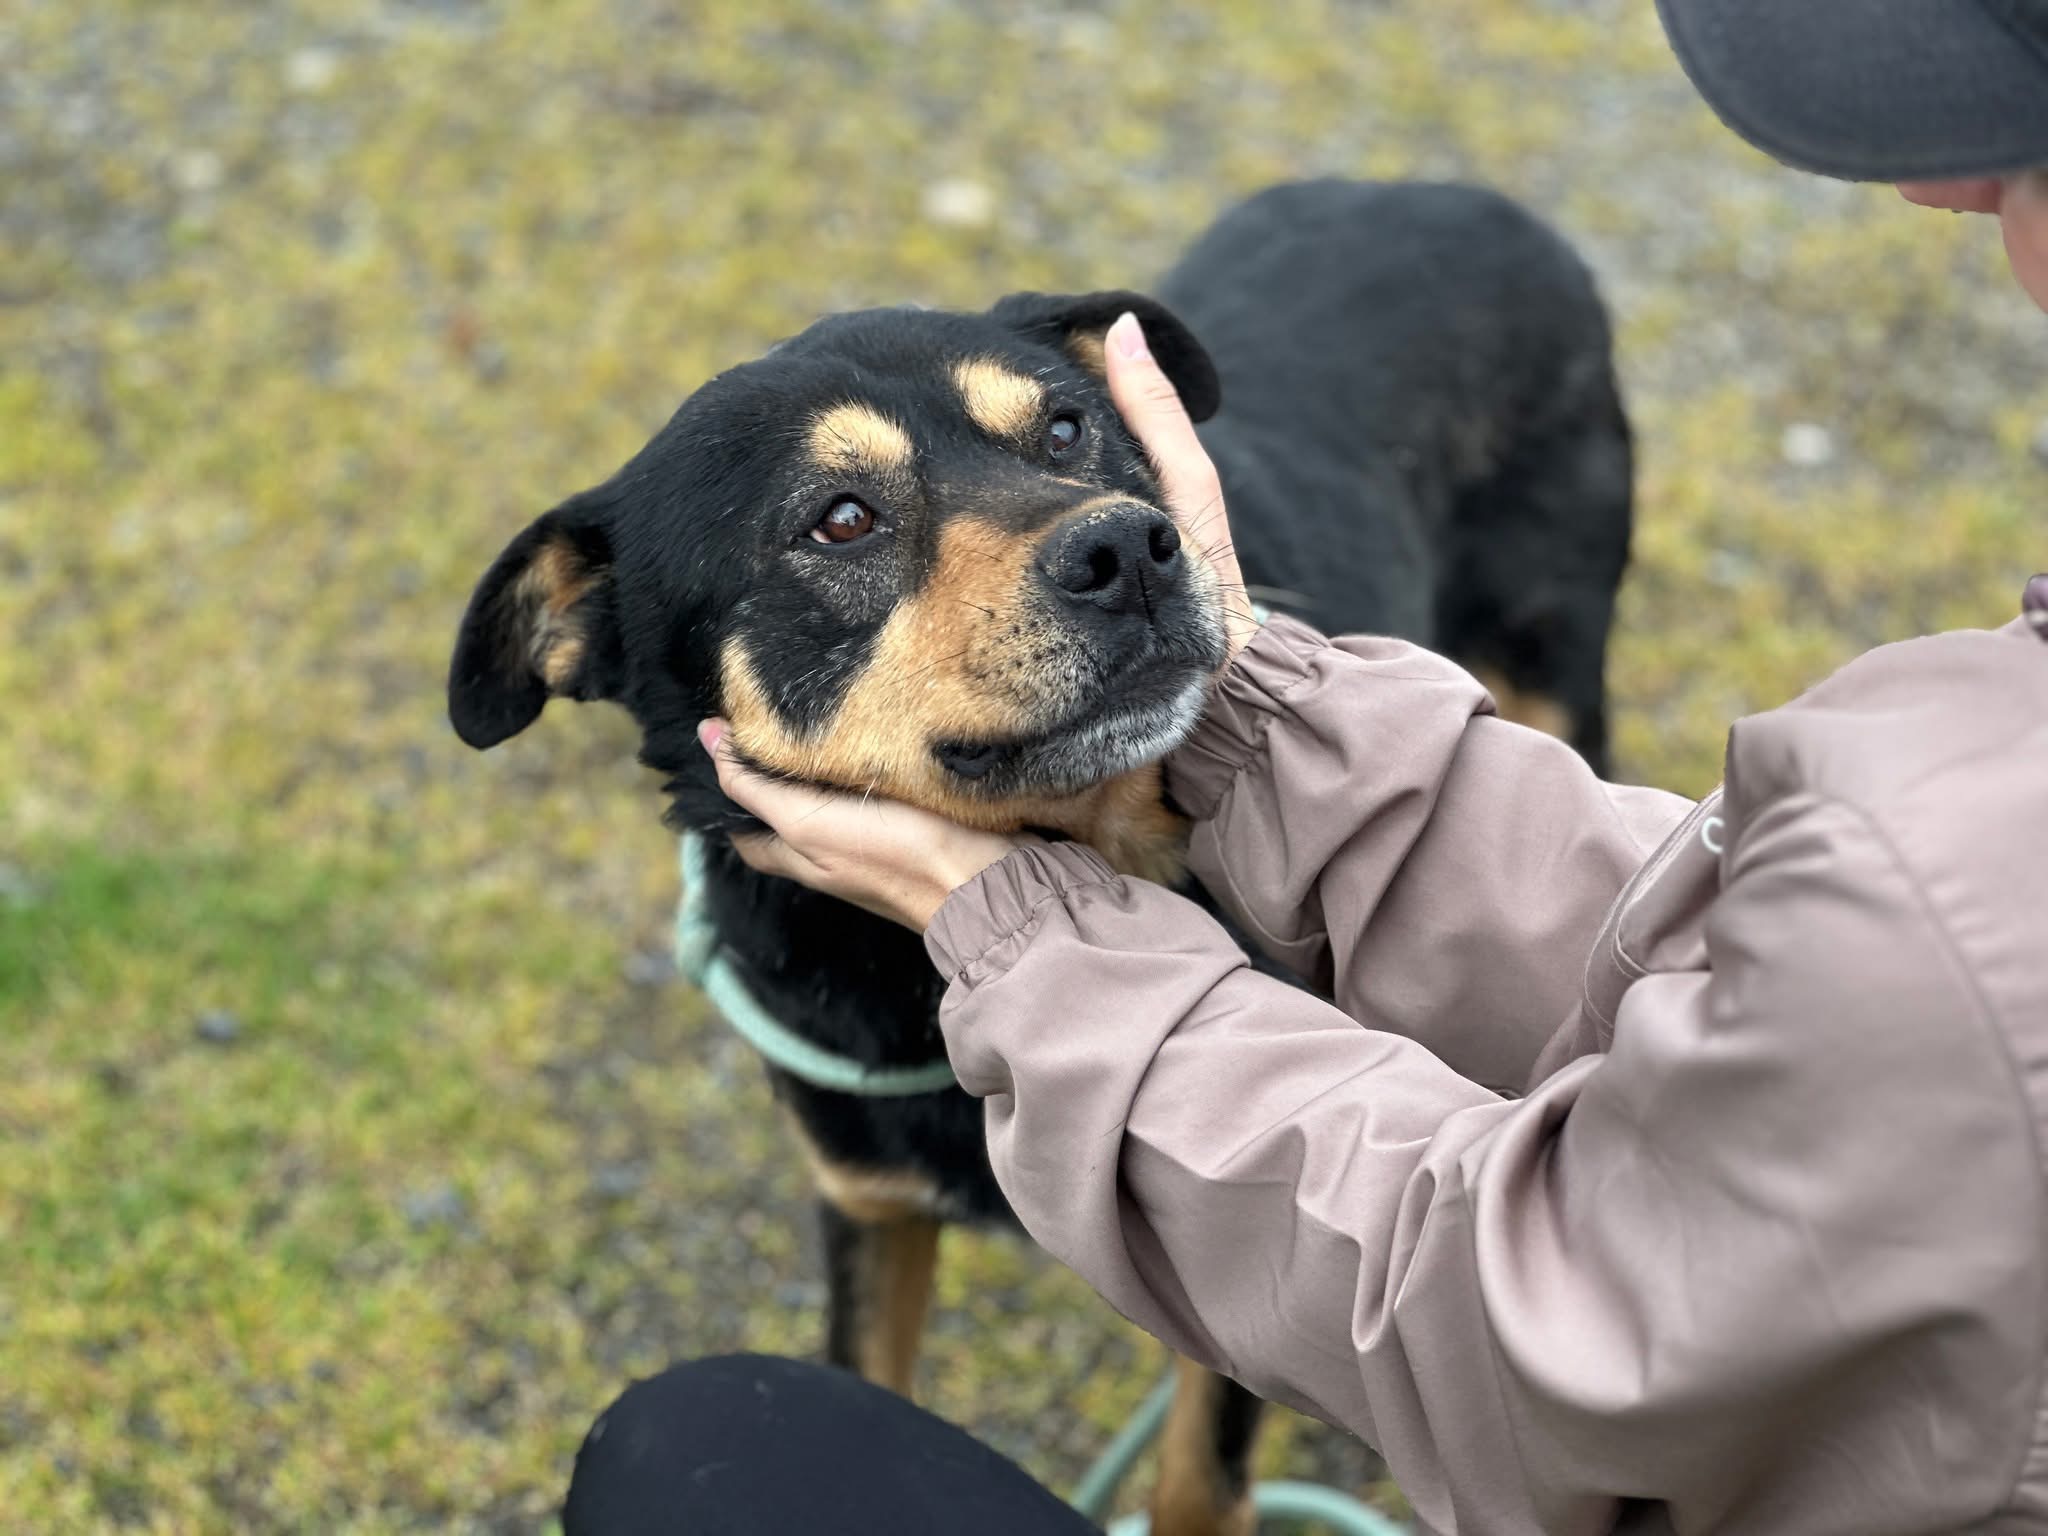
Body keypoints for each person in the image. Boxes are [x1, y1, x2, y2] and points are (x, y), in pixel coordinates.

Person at [565, 3, 2048, 1532]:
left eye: (1063, 440)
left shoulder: (1947, 894)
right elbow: (1736, 962)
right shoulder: (1957, 830)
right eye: (844, 524)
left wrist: (1027, 932)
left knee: (696, 1458)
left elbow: (1549, 1347)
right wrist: (1249, 711)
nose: (1097, 528)